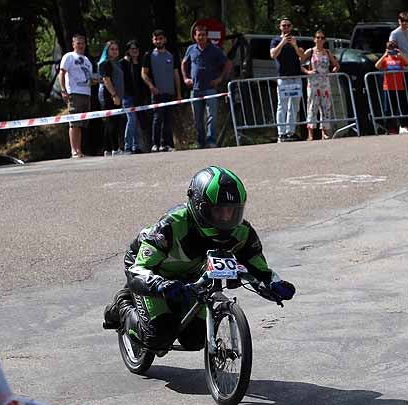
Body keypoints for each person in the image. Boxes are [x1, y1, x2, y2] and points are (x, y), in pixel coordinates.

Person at [103, 166, 296, 350]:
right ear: (198, 206)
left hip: (192, 277)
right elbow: (139, 269)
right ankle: (122, 303)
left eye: (232, 211)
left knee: (195, 339)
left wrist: (274, 286)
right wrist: (160, 285)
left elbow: (258, 268)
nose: (226, 218)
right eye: (218, 211)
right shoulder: (172, 225)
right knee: (159, 337)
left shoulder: (243, 232)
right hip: (152, 271)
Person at [182, 25, 232, 149]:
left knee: (212, 116)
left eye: (203, 35)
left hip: (210, 89)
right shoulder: (191, 49)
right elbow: (183, 63)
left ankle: (211, 140)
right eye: (199, 35)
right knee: (198, 119)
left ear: (207, 36)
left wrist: (220, 78)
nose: (201, 37)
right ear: (195, 36)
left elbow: (227, 63)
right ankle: (200, 141)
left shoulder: (214, 49)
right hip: (196, 89)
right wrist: (185, 78)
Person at [142, 29, 181, 152]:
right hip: (157, 93)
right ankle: (155, 144)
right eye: (155, 39)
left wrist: (178, 93)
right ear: (153, 41)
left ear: (165, 39)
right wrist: (151, 86)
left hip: (169, 92)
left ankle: (167, 144)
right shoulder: (149, 55)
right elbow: (143, 73)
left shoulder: (171, 55)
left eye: (160, 38)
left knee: (168, 119)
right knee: (157, 118)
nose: (158, 41)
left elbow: (176, 75)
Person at [269, 17, 306, 142]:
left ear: (291, 27)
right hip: (283, 78)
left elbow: (303, 56)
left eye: (288, 25)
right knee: (282, 106)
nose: (286, 28)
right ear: (280, 27)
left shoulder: (296, 40)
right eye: (283, 25)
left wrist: (294, 45)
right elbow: (273, 54)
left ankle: (291, 132)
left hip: (296, 77)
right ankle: (281, 133)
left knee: (294, 106)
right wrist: (282, 42)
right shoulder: (275, 40)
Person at [58, 33, 95, 158]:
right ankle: (74, 150)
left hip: (86, 93)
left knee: (82, 124)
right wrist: (63, 90)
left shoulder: (87, 61)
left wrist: (97, 80)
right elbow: (62, 73)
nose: (80, 46)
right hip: (74, 92)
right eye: (78, 43)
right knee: (74, 122)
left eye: (83, 43)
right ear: (73, 44)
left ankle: (79, 150)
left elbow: (90, 78)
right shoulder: (69, 56)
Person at [301, 30, 339, 141]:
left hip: (325, 83)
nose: (320, 40)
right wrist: (308, 72)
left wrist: (333, 71)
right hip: (313, 83)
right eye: (318, 37)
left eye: (322, 38)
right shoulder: (310, 51)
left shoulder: (327, 52)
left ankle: (325, 132)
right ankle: (310, 134)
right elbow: (300, 64)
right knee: (312, 107)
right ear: (314, 39)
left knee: (326, 107)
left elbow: (336, 65)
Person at [374, 40, 408, 135]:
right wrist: (385, 55)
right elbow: (377, 65)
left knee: (402, 107)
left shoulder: (399, 58)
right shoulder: (386, 59)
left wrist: (400, 53)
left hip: (399, 86)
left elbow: (407, 62)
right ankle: (391, 128)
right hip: (388, 87)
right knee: (389, 109)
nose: (391, 50)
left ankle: (404, 125)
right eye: (390, 48)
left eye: (393, 48)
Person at [97, 40, 124, 157]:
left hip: (116, 95)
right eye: (112, 49)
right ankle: (115, 148)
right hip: (109, 96)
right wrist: (114, 95)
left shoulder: (116, 63)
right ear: (107, 51)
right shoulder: (106, 63)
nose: (114, 51)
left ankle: (107, 149)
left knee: (111, 123)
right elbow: (106, 80)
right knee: (113, 122)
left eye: (116, 49)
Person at [120, 40, 147, 153]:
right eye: (132, 48)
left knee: (138, 121)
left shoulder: (141, 63)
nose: (135, 50)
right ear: (128, 51)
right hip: (127, 96)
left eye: (136, 48)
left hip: (139, 96)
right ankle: (127, 146)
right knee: (132, 120)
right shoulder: (122, 63)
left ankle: (137, 146)